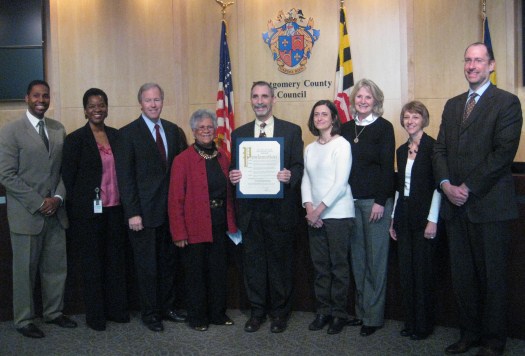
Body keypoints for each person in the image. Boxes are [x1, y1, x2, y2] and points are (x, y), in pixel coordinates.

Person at [434, 42, 522, 356]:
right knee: (463, 278)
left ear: (491, 65)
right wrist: (445, 184)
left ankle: (493, 341)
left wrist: (467, 187)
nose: (472, 66)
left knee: (493, 278)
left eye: (479, 61)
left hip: (489, 206)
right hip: (455, 208)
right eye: (468, 60)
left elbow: (502, 154)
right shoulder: (453, 104)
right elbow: (440, 150)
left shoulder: (507, 103)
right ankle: (468, 334)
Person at [0, 80, 77, 338]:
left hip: (56, 213)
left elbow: (63, 171)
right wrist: (38, 202)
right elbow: (6, 175)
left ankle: (54, 313)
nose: (41, 100)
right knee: (24, 271)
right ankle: (23, 319)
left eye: (45, 96)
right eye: (36, 96)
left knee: (55, 268)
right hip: (27, 214)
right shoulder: (11, 131)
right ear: (26, 98)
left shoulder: (58, 129)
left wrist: (57, 197)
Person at [229, 81, 304, 333]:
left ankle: (280, 314)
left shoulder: (291, 131)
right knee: (254, 265)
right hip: (250, 212)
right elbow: (233, 168)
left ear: (273, 100)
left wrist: (289, 176)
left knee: (280, 265)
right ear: (250, 100)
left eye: (264, 96)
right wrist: (233, 176)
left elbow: (298, 167)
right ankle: (257, 312)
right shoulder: (238, 133)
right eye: (255, 96)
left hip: (280, 211)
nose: (259, 101)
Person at [115, 82, 187, 332]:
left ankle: (167, 307)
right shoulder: (127, 134)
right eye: (148, 100)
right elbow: (125, 178)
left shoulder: (174, 131)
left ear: (162, 101)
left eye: (157, 99)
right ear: (140, 103)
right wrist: (132, 212)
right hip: (143, 215)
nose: (153, 104)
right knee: (147, 267)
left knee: (168, 263)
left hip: (170, 213)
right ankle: (150, 313)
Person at [62, 88, 129, 331]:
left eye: (101, 105)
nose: (97, 109)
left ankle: (117, 310)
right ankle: (96, 315)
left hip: (115, 209)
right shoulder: (75, 139)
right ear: (85, 110)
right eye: (92, 106)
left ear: (107, 107)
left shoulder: (117, 135)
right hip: (88, 214)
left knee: (115, 261)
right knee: (93, 264)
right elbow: (68, 180)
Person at [168, 109, 238, 331]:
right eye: (201, 128)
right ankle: (197, 317)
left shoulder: (222, 157)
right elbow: (175, 199)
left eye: (210, 127)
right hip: (194, 226)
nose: (206, 131)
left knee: (218, 272)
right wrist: (179, 233)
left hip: (220, 224)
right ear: (194, 131)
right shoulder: (182, 160)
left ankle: (217, 313)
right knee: (196, 274)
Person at [340, 78, 395, 337]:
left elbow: (387, 168)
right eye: (359, 97)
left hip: (375, 204)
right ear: (353, 101)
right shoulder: (345, 128)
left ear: (376, 102)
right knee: (358, 261)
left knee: (376, 261)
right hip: (349, 203)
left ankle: (373, 317)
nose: (363, 101)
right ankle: (361, 312)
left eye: (368, 98)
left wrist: (380, 201)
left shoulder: (385, 128)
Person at [301, 100, 355, 335]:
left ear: (334, 118)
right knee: (320, 266)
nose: (320, 118)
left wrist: (318, 210)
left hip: (338, 214)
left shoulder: (342, 145)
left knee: (338, 267)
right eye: (316, 114)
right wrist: (308, 208)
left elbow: (340, 184)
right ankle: (323, 311)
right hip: (315, 216)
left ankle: (339, 314)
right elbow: (306, 180)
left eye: (325, 114)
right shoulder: (310, 148)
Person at [389, 101, 441, 340]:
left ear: (424, 120)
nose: (410, 121)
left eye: (415, 117)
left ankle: (424, 325)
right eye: (407, 117)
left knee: (423, 273)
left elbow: (438, 187)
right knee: (407, 273)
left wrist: (433, 220)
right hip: (404, 215)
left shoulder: (434, 148)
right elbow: (400, 187)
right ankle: (410, 322)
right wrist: (393, 219)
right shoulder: (401, 150)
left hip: (424, 216)